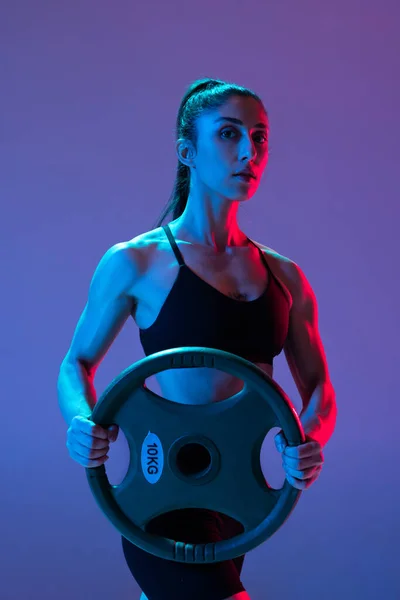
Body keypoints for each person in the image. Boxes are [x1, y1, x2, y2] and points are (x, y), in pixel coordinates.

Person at [58, 77, 337, 600]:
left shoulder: (284, 276)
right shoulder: (135, 261)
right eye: (229, 134)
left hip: (238, 497)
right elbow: (75, 363)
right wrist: (80, 418)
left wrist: (312, 438)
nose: (249, 152)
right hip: (164, 495)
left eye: (259, 137)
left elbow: (319, 386)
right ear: (187, 151)